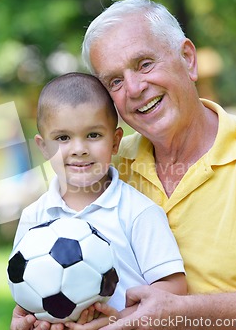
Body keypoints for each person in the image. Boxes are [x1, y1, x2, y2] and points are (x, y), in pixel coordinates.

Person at [78, 0, 236, 330]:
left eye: (145, 64)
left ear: (188, 59)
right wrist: (41, 308)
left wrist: (180, 312)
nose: (134, 89)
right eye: (114, 82)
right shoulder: (110, 165)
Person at [10, 72, 187, 330]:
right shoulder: (34, 218)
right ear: (43, 147)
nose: (79, 148)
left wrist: (121, 320)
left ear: (115, 142)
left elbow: (174, 288)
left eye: (93, 135)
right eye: (62, 138)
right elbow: (25, 293)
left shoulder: (139, 212)